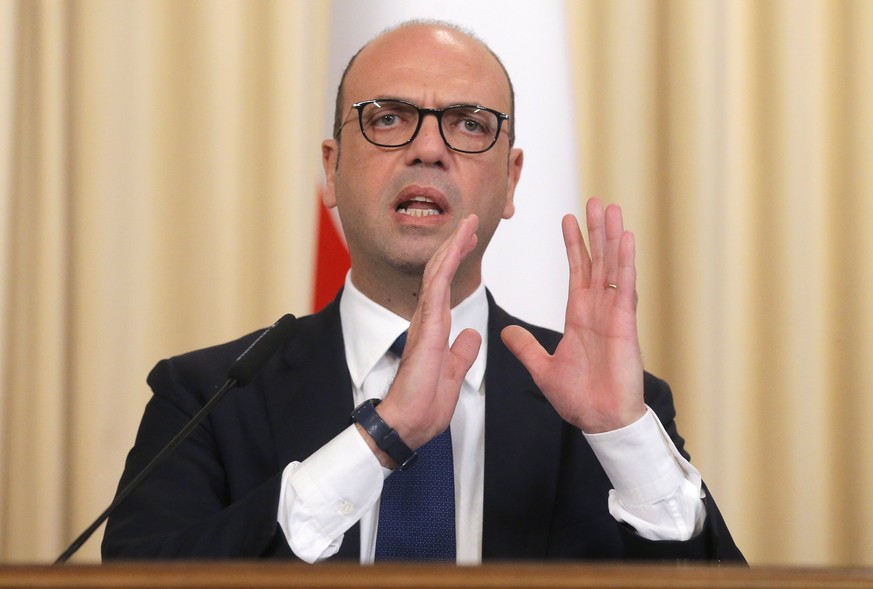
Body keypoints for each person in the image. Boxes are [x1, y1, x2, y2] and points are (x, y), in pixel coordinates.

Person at [102, 20, 744, 564]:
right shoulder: (204, 399)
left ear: (512, 180)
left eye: (468, 125)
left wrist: (622, 437)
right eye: (388, 118)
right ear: (331, 168)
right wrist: (380, 437)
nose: (429, 149)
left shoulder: (608, 409)